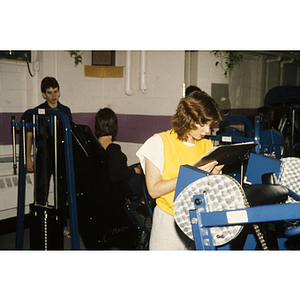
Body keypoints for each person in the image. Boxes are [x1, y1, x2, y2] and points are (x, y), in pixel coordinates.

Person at [136, 90, 224, 250]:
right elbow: (154, 191)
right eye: (202, 124)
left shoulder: (207, 145)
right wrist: (192, 175)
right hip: (169, 221)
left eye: (210, 125)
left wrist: (214, 176)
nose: (207, 131)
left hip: (199, 216)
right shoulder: (159, 143)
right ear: (187, 118)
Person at [26, 77, 72, 237]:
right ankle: (40, 226)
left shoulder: (65, 111)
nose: (54, 95)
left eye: (56, 92)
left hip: (61, 155)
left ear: (59, 91)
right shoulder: (37, 111)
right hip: (43, 155)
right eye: (50, 93)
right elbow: (29, 135)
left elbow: (69, 135)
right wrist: (28, 158)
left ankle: (61, 226)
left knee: (62, 193)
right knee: (41, 191)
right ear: (44, 94)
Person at [94, 107, 143, 197]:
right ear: (114, 125)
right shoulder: (113, 149)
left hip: (104, 185)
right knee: (148, 175)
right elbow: (115, 175)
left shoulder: (94, 145)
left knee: (139, 165)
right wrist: (135, 171)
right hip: (119, 188)